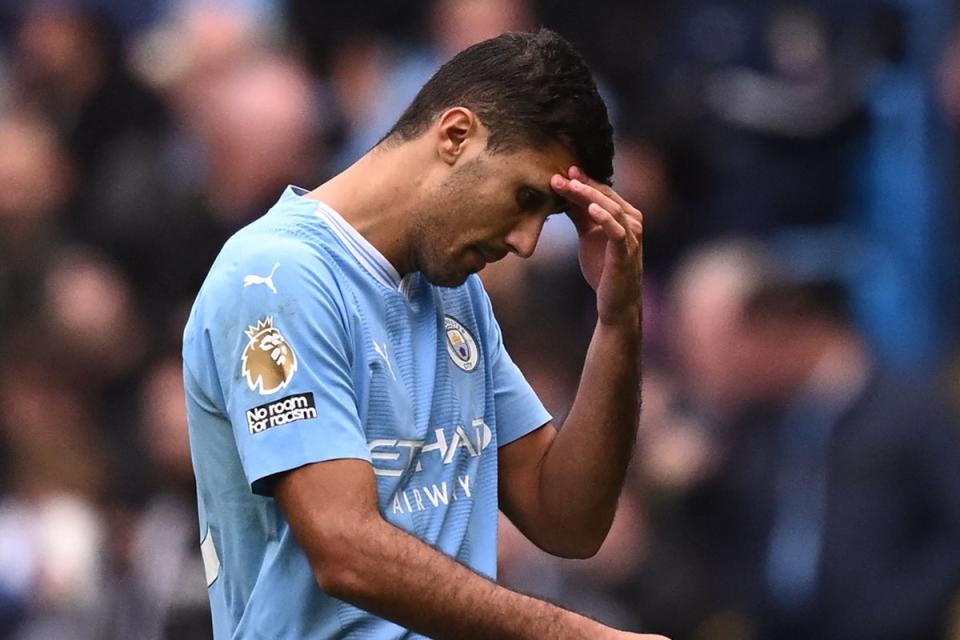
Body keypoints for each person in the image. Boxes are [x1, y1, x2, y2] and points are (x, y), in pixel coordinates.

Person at [182, 29, 664, 639]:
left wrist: (619, 322)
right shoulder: (276, 278)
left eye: (547, 216)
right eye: (525, 198)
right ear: (457, 134)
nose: (526, 242)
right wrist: (577, 636)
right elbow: (345, 550)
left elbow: (566, 519)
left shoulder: (456, 292)